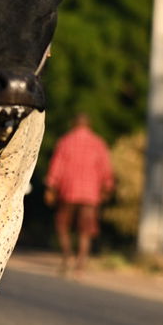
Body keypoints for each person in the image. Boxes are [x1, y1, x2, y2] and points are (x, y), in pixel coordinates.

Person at [44, 112, 115, 276]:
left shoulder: (65, 142)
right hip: (90, 194)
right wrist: (107, 187)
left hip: (68, 192)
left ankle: (67, 256)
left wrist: (51, 187)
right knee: (86, 230)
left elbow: (56, 167)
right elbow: (106, 169)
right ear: (89, 125)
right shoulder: (98, 143)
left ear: (73, 124)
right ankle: (81, 263)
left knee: (62, 225)